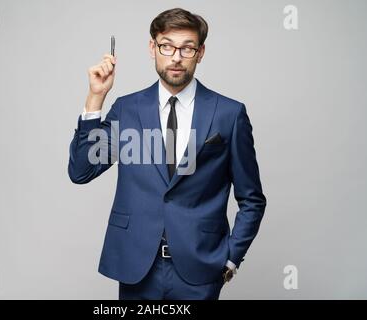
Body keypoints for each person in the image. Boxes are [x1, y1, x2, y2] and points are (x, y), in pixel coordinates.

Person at [68, 7, 267, 300]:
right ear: (153, 48)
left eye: (187, 48)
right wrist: (95, 97)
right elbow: (81, 172)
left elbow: (252, 199)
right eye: (167, 46)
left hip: (201, 271)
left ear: (200, 53)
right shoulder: (127, 109)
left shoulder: (229, 114)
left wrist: (230, 259)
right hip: (137, 267)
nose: (176, 57)